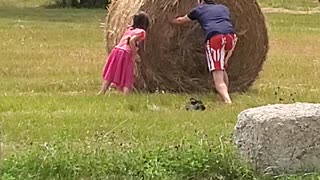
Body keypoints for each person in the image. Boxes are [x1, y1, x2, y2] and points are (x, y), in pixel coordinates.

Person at [170, 0, 238, 104]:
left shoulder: (199, 9)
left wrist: (169, 20)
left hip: (216, 39)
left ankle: (227, 101)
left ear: (200, 1)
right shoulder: (224, 8)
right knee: (222, 67)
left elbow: (180, 21)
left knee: (218, 76)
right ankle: (224, 95)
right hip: (231, 37)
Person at [98, 11, 150, 95]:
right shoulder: (141, 32)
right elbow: (132, 41)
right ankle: (126, 95)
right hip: (125, 53)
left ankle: (102, 91)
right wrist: (135, 54)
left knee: (111, 71)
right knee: (127, 74)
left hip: (116, 50)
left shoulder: (129, 29)